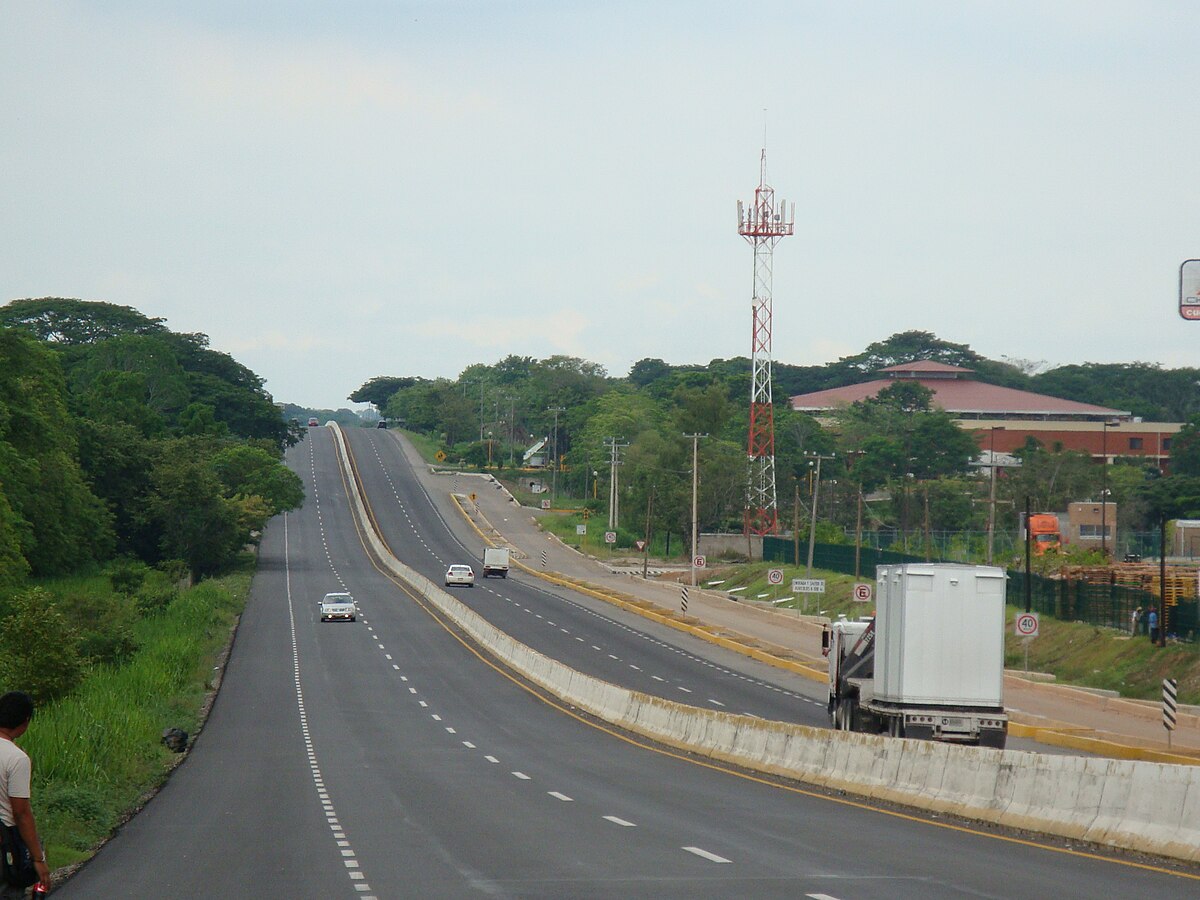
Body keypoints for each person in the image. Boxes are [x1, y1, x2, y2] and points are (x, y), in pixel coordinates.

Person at [0, 692, 49, 897]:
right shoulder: (16, 759)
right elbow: (21, 813)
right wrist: (38, 859)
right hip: (5, 843)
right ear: (25, 721)